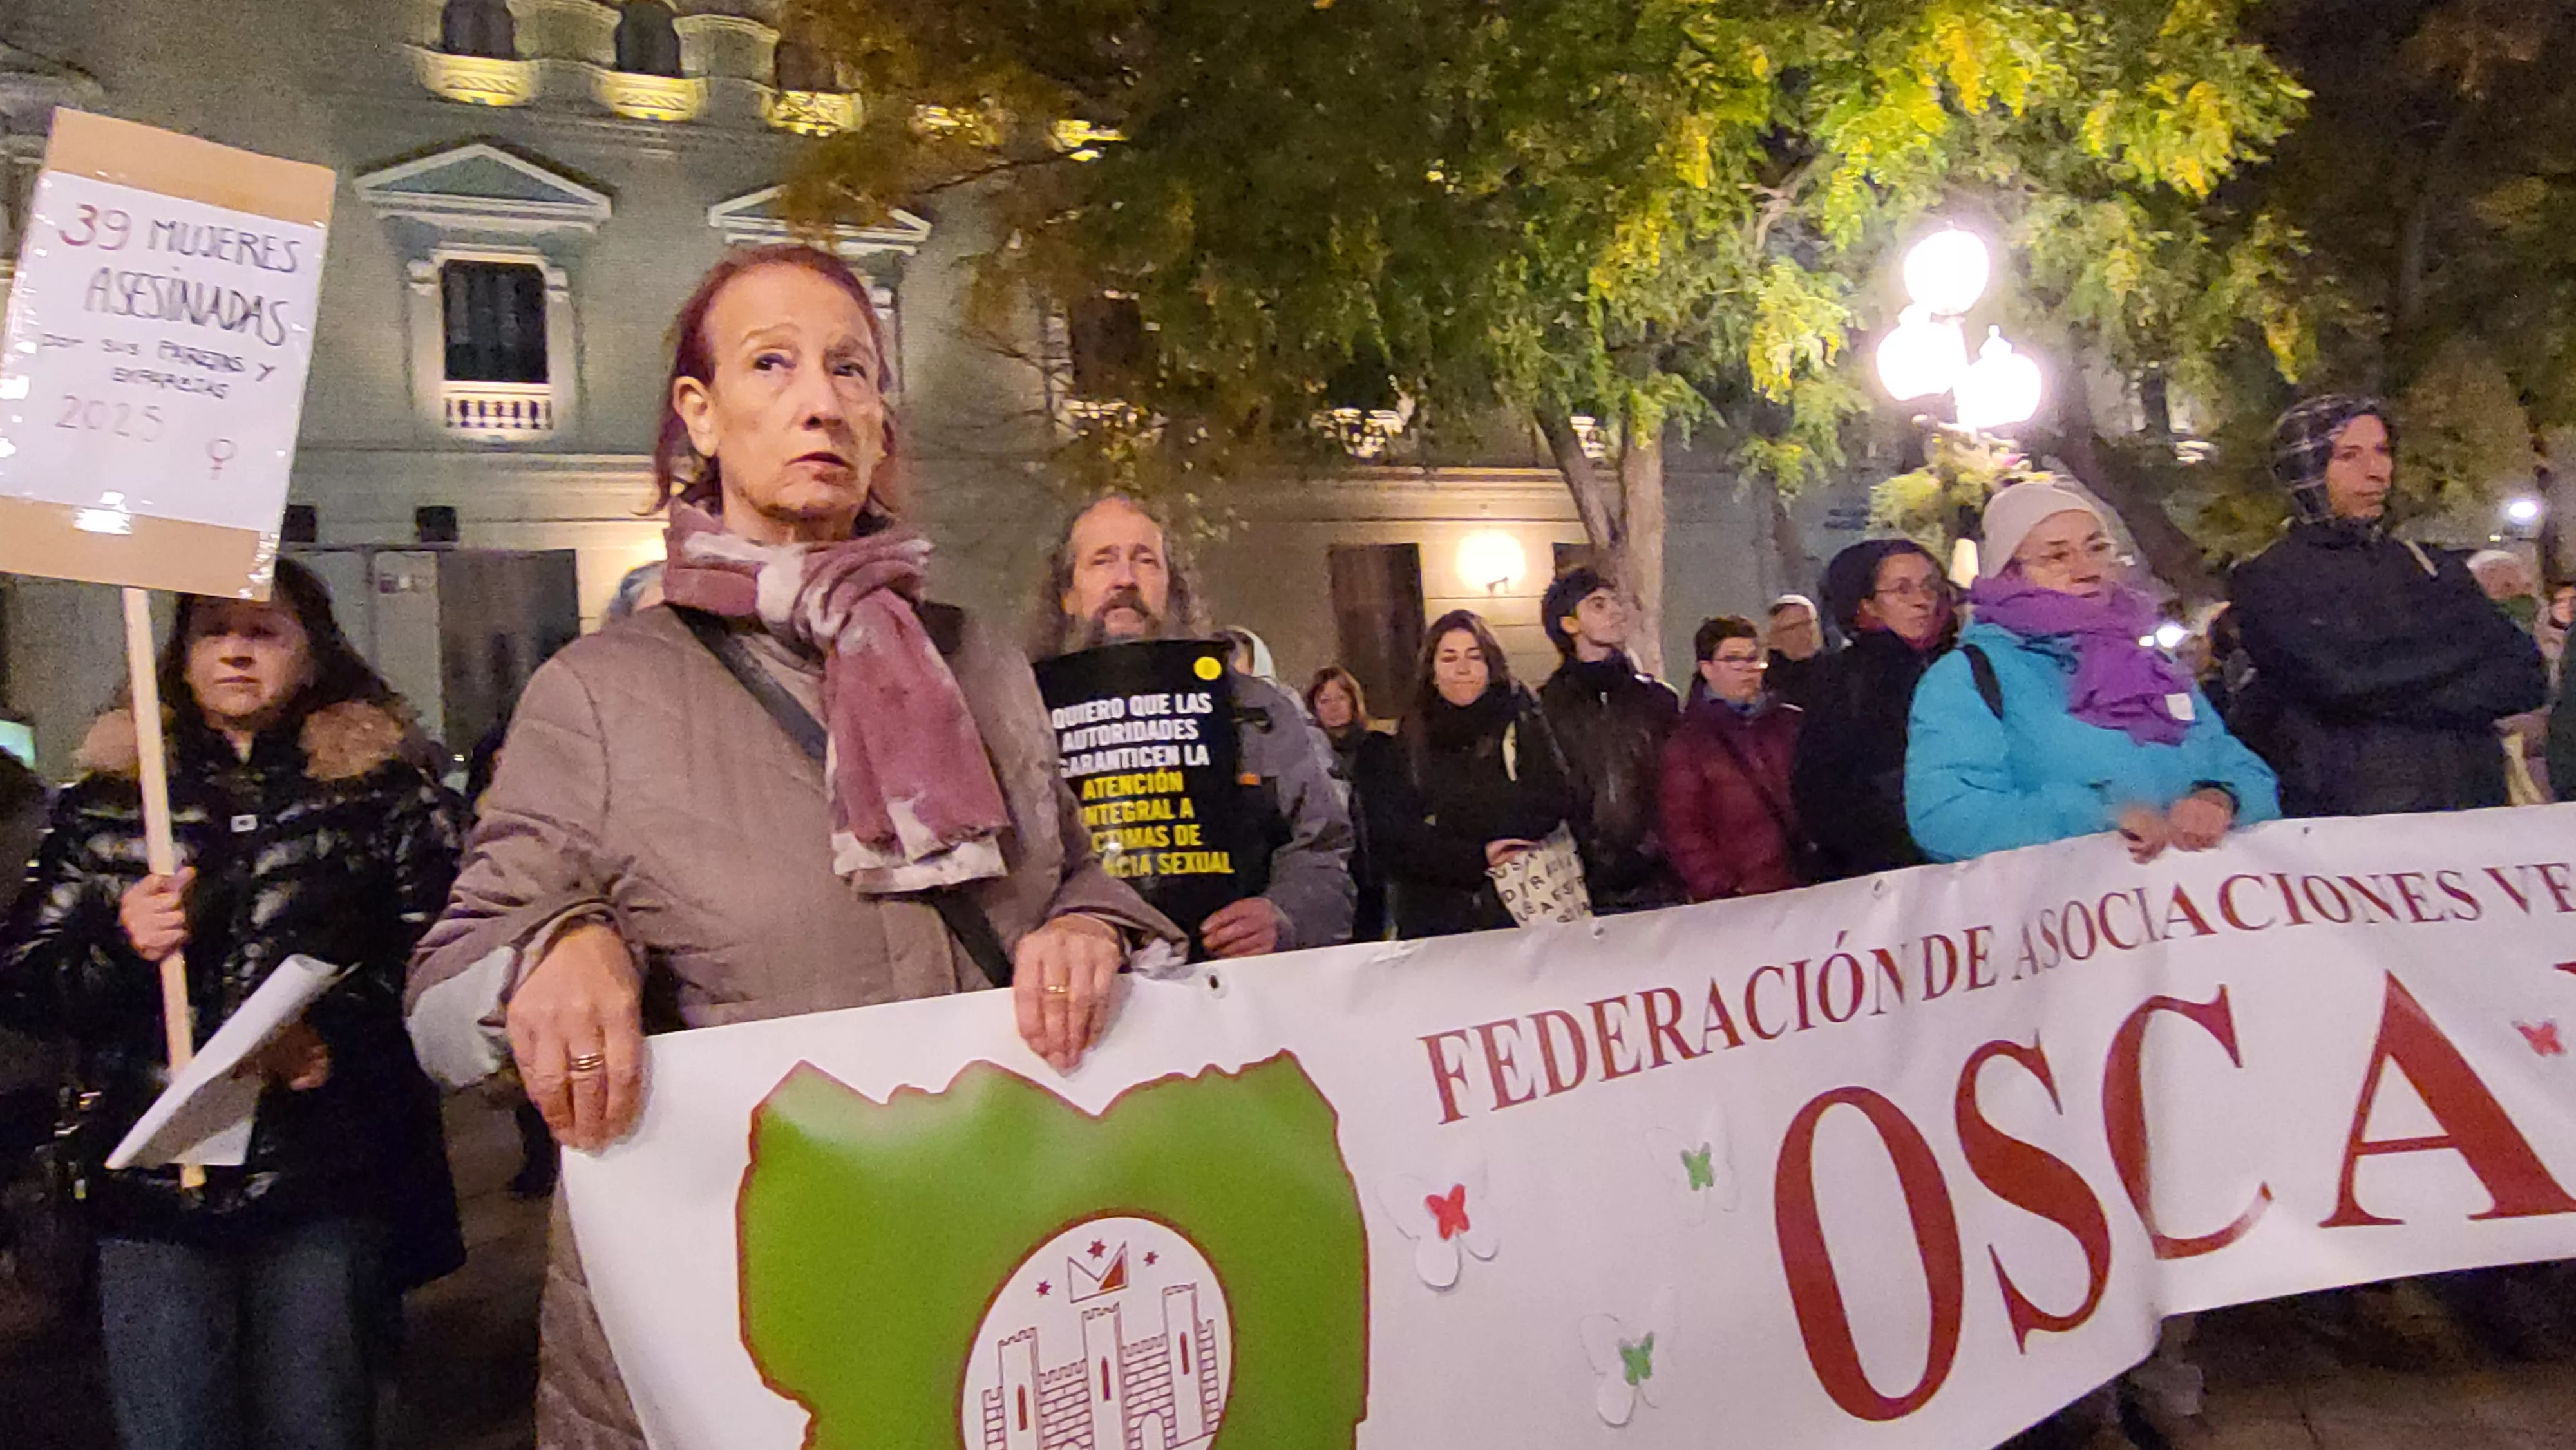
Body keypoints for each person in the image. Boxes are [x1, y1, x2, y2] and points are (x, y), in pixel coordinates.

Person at [406, 244, 1182, 1450]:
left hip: (995, 1270)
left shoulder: (979, 659)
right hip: (742, 1326)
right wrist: (553, 949)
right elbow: (442, 1006)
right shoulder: (599, 694)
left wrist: (1094, 926)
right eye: (772, 364)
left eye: (851, 369)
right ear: (701, 414)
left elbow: (1079, 877)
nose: (820, 400)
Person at [1, 557, 462, 1450]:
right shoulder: (108, 805)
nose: (237, 652)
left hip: (322, 1176)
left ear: (312, 650)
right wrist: (121, 944)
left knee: (319, 1422)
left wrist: (332, 1035)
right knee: (175, 1427)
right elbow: (26, 978)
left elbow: (438, 957)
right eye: (215, 630)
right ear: (180, 655)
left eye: (264, 631)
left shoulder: (384, 796)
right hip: (153, 1185)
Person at [1036, 495, 1354, 959]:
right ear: (1067, 595)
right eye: (1102, 560)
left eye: (1146, 560)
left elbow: (1322, 847)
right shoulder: (1023, 716)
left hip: (1235, 985)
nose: (1126, 579)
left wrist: (1285, 915)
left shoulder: (1257, 709)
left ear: (1173, 588)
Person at [1906, 479, 2280, 863]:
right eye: (2057, 557)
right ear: (2009, 574)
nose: (2087, 570)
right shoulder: (1969, 677)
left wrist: (2221, 798)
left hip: (2190, 893)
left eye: (2098, 548)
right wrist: (2098, 817)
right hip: (2068, 897)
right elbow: (1947, 818)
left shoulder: (2154, 665)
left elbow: (2240, 768)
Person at [2228, 396, 2547, 816]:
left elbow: (2524, 676)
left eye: (2382, 450)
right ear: (2304, 469)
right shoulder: (2269, 577)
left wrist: (2384, 683)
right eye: (2349, 455)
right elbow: (2337, 681)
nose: (2376, 470)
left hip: (2474, 807)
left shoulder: (2430, 564)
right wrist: (2459, 666)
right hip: (2356, 819)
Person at [1360, 611, 1575, 939]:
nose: (1463, 668)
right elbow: (1395, 838)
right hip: (1436, 918)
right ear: (1432, 670)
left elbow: (1552, 796)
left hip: (1518, 910)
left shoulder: (1521, 716)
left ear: (1491, 665)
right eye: (1449, 658)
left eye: (1475, 657)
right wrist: (1475, 855)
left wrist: (1451, 823)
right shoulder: (1410, 735)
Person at [1790, 538, 1956, 880]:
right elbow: (1821, 789)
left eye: (1930, 586)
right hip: (1889, 873)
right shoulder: (1843, 679)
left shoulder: (1965, 663)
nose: (1922, 600)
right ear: (1867, 605)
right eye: (1902, 589)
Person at [1535, 568, 1679, 912]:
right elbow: (1548, 792)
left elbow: (1676, 782)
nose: (1616, 611)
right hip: (1581, 884)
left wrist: (1655, 847)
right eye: (1598, 605)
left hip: (1660, 879)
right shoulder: (1544, 709)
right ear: (1570, 623)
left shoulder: (1657, 699)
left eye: (1616, 602)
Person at [1658, 617, 1808, 903]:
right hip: (1741, 895)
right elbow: (1682, 828)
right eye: (1734, 660)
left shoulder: (1789, 722)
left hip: (1802, 882)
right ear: (1707, 669)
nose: (1747, 669)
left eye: (1753, 659)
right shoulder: (1689, 742)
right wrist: (1721, 887)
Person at [1307, 666, 1397, 941]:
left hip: (1377, 868)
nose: (1334, 707)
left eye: (1340, 698)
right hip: (1331, 868)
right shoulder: (1307, 757)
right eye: (1325, 700)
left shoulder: (1381, 748)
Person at [1763, 594, 1825, 710]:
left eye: (1809, 623)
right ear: (1774, 638)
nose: (1807, 633)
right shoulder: (1766, 687)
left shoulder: (1839, 670)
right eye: (1794, 627)